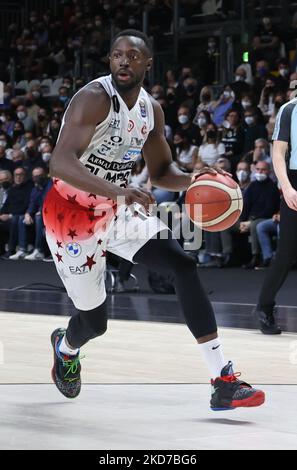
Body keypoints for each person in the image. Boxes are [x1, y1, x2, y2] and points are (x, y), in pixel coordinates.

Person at [44, 29, 265, 410]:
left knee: (182, 263)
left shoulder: (151, 110)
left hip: (116, 208)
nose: (123, 61)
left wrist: (197, 179)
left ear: (148, 63)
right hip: (71, 215)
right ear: (109, 61)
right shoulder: (94, 98)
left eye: (132, 56)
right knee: (94, 323)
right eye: (116, 55)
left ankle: (222, 380)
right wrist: (118, 190)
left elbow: (162, 172)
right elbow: (59, 163)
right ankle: (66, 348)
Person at [255, 95, 297, 335]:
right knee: (287, 252)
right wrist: (287, 187)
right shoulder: (289, 110)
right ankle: (264, 307)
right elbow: (278, 153)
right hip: (294, 182)